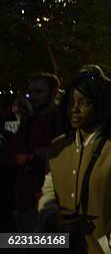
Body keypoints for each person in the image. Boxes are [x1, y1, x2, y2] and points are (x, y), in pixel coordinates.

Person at [38, 70, 111, 253]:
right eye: (71, 103)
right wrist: (51, 218)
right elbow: (48, 192)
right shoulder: (58, 147)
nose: (75, 109)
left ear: (100, 106)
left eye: (84, 103)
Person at [6, 73, 63, 232]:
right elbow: (12, 154)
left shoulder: (62, 120)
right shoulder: (29, 120)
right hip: (24, 197)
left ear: (53, 92)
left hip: (49, 199)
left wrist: (34, 157)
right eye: (31, 92)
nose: (33, 96)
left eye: (39, 92)